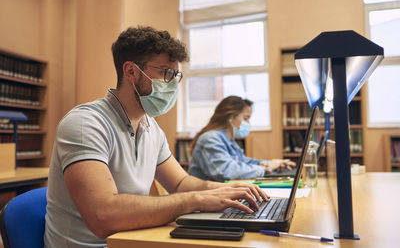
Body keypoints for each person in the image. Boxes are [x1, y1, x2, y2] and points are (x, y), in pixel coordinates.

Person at [44, 26, 269, 248]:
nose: (172, 84)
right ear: (131, 72)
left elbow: (180, 183)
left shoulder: (151, 127)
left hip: (132, 240)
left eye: (176, 75)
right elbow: (103, 215)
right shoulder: (85, 124)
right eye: (166, 73)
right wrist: (195, 200)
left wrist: (225, 190)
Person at [189, 96, 296, 182]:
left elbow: (244, 162)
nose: (248, 123)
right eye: (246, 118)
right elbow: (227, 172)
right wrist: (266, 167)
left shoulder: (228, 139)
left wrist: (272, 163)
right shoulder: (210, 139)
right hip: (204, 200)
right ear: (231, 117)